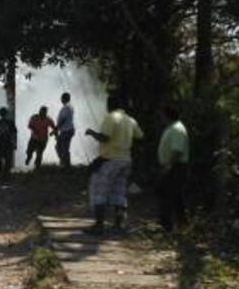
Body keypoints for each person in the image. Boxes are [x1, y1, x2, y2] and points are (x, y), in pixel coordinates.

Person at [84, 94, 145, 234]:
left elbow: (105, 138)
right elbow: (140, 137)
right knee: (119, 191)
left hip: (109, 160)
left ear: (109, 105)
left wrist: (92, 133)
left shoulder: (111, 117)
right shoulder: (130, 119)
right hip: (126, 160)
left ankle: (99, 225)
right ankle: (118, 225)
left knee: (98, 188)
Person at [157, 105, 190, 232]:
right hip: (172, 166)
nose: (160, 118)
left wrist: (168, 166)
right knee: (173, 196)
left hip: (175, 167)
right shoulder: (172, 128)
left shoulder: (177, 129)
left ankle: (168, 227)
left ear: (167, 115)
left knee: (169, 196)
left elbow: (177, 150)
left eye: (161, 115)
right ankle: (176, 225)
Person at [0, 107, 18, 184]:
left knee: (0, 161)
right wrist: (15, 144)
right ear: (6, 114)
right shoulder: (10, 123)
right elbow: (14, 135)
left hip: (0, 144)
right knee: (7, 161)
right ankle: (5, 177)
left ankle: (0, 177)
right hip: (7, 144)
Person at [55, 92, 75, 168]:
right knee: (60, 147)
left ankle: (66, 164)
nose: (61, 100)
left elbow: (63, 119)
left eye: (62, 98)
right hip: (66, 130)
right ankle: (64, 162)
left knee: (63, 148)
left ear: (64, 99)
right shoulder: (68, 107)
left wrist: (56, 128)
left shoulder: (67, 107)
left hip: (67, 131)